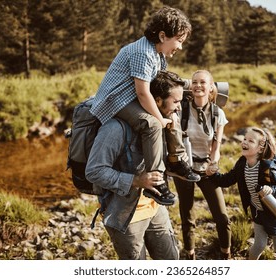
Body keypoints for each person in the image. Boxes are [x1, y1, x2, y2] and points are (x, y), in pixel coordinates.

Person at [90, 6, 200, 206]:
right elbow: (143, 92)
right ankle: (157, 180)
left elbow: (162, 82)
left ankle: (175, 160)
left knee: (173, 110)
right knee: (152, 124)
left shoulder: (158, 55)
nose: (181, 47)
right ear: (162, 35)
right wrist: (159, 119)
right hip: (115, 101)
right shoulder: (143, 52)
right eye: (179, 41)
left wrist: (189, 85)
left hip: (129, 98)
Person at [85, 70, 186, 260]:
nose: (180, 108)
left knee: (171, 260)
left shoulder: (162, 124)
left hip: (155, 208)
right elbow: (94, 171)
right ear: (156, 100)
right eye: (176, 101)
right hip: (125, 216)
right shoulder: (114, 129)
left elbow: (171, 164)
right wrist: (137, 180)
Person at [170, 70, 231, 260]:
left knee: (222, 217)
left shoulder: (217, 113)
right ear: (190, 86)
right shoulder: (181, 110)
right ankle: (190, 254)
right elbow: (172, 139)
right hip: (184, 169)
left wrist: (214, 163)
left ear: (211, 87)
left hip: (206, 169)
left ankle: (225, 253)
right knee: (187, 215)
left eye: (203, 82)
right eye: (194, 82)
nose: (198, 86)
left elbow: (217, 146)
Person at [214, 127, 276, 260]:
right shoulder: (242, 164)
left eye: (251, 141)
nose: (244, 142)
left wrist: (271, 189)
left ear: (260, 149)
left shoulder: (269, 167)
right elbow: (227, 180)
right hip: (258, 212)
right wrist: (213, 175)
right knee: (258, 245)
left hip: (275, 214)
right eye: (244, 139)